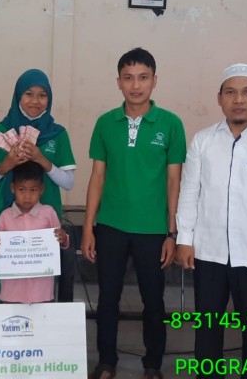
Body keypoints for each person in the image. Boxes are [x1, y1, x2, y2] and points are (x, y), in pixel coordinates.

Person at [81, 47, 186, 379]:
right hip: (110, 226)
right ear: (118, 82)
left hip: (153, 230)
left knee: (153, 300)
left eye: (143, 77)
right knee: (107, 298)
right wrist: (88, 227)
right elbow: (97, 177)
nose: (136, 85)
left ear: (155, 81)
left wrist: (172, 232)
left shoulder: (171, 124)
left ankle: (152, 364)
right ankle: (107, 361)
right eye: (128, 78)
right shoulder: (105, 123)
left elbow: (174, 181)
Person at [176, 63, 247, 379]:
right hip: (209, 253)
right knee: (207, 329)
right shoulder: (203, 141)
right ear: (220, 98)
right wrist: (184, 239)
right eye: (231, 92)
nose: (239, 100)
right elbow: (189, 191)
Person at [0, 68, 76, 304]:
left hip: (45, 217)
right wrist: (8, 164)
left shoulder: (58, 134)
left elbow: (68, 182)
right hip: (7, 214)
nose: (35, 101)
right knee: (3, 282)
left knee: (41, 283)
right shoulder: (1, 131)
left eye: (42, 95)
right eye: (28, 94)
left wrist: (42, 159)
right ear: (18, 96)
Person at [0, 161, 69, 303]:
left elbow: (61, 244)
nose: (27, 196)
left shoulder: (48, 213)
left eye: (33, 190)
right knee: (12, 317)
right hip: (12, 292)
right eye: (22, 190)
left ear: (42, 189)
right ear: (13, 188)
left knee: (43, 317)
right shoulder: (5, 216)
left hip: (41, 292)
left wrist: (63, 239)